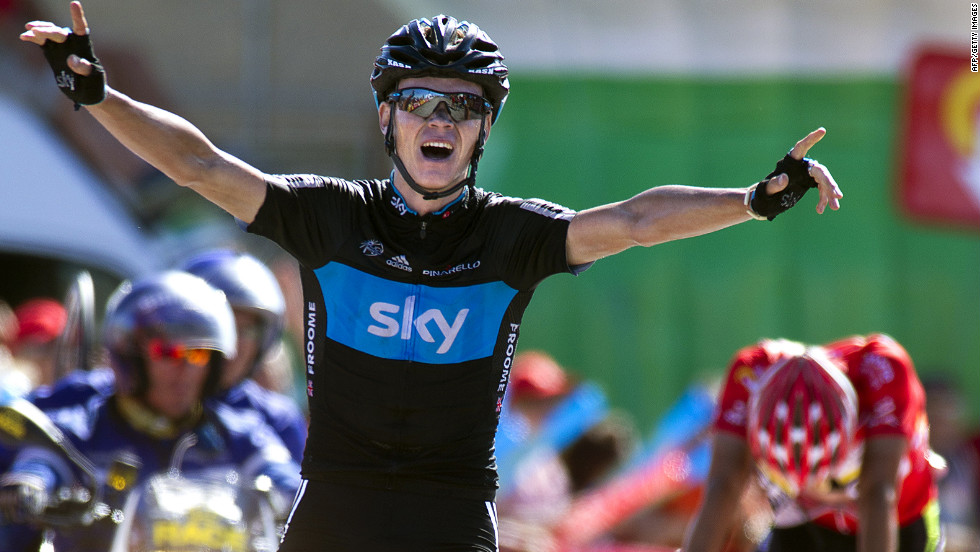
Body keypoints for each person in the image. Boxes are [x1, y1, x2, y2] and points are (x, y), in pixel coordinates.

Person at [19, 4, 843, 550]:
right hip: (335, 500)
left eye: (462, 105)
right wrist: (96, 96)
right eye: (420, 102)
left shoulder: (511, 236)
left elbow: (634, 219)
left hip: (451, 509)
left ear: (484, 127)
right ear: (387, 117)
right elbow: (197, 164)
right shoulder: (329, 215)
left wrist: (749, 200)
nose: (439, 121)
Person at [0, 271, 301, 551]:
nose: (184, 369)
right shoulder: (83, 426)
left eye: (197, 354)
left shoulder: (237, 432)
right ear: (130, 354)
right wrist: (31, 484)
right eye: (167, 352)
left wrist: (293, 497)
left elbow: (284, 477)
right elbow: (43, 462)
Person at [683, 335, 941, 552]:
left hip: (900, 518)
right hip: (803, 522)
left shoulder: (885, 371)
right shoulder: (749, 373)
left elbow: (879, 492)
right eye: (784, 474)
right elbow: (723, 484)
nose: (807, 483)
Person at [179, 248, 308, 464]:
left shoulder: (276, 421)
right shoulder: (141, 399)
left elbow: (293, 490)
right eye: (221, 324)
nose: (233, 341)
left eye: (247, 329)